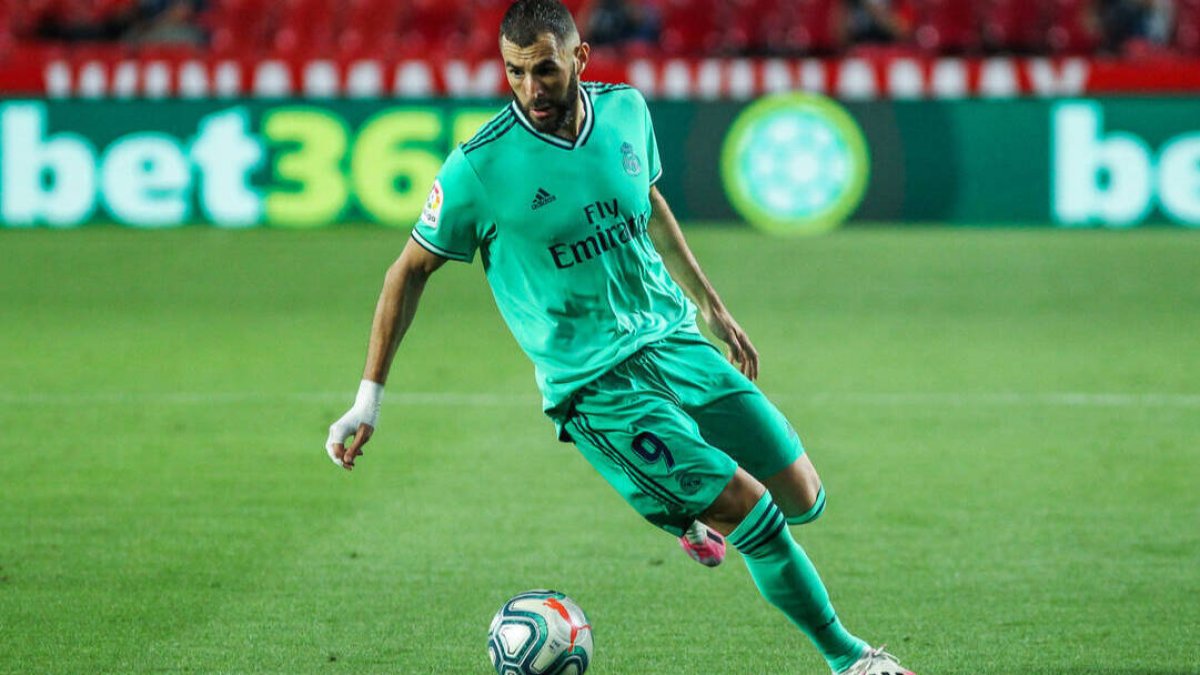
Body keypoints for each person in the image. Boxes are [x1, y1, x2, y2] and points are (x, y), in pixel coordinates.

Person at [324, 1, 914, 673]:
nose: (530, 89)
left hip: (673, 341)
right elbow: (406, 272)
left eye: (544, 69)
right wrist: (368, 396)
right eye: (514, 72)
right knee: (754, 517)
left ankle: (677, 508)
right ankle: (853, 660)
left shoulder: (628, 110)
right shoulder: (478, 167)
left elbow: (649, 202)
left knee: (802, 495)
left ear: (578, 58)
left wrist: (712, 307)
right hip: (594, 383)